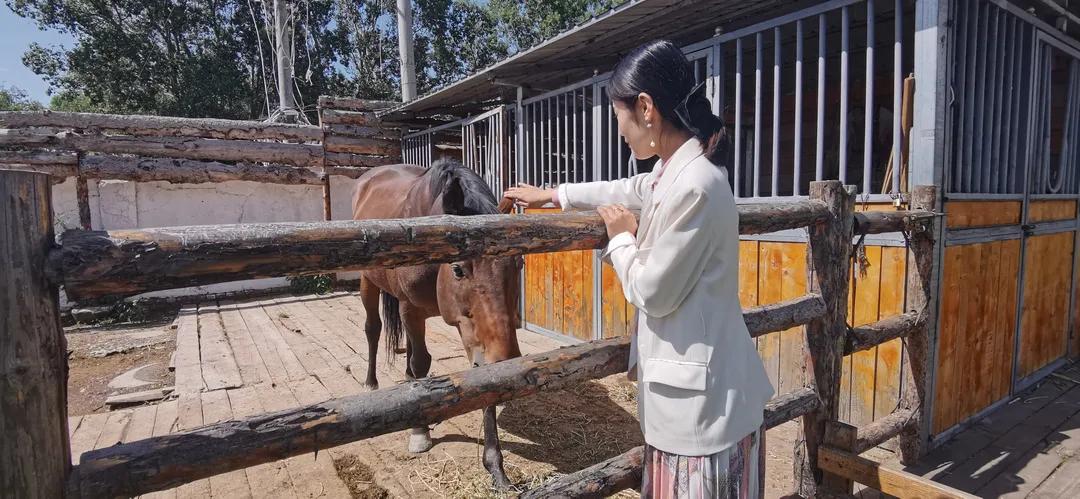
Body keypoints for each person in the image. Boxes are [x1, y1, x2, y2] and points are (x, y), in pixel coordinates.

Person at [503, 39, 775, 499]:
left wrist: (621, 238)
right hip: (702, 407)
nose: (621, 133)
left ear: (646, 108)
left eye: (619, 119)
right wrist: (554, 195)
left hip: (703, 420)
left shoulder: (696, 186)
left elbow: (652, 291)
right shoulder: (677, 171)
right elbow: (627, 187)